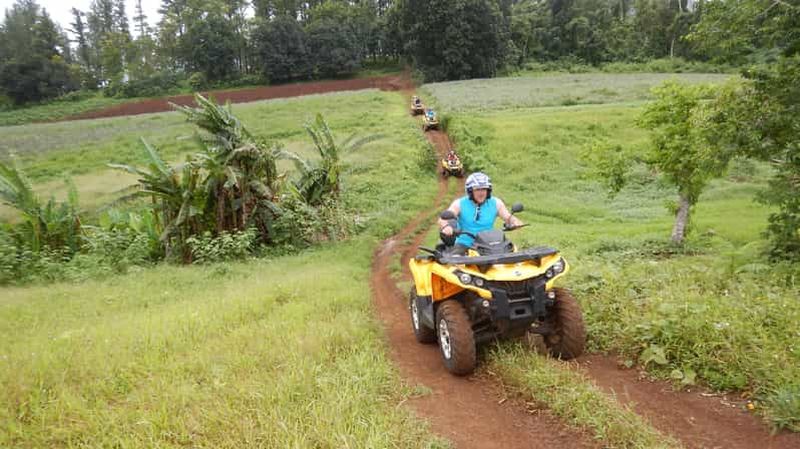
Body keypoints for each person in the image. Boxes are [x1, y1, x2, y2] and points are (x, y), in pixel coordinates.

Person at [438, 172, 523, 255]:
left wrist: (515, 222)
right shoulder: (459, 204)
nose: (481, 193)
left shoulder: (496, 203)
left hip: (489, 245)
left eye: (484, 189)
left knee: (512, 256)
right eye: (477, 189)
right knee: (455, 260)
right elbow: (442, 220)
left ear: (488, 191)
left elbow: (508, 217)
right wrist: (446, 226)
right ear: (470, 191)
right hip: (465, 244)